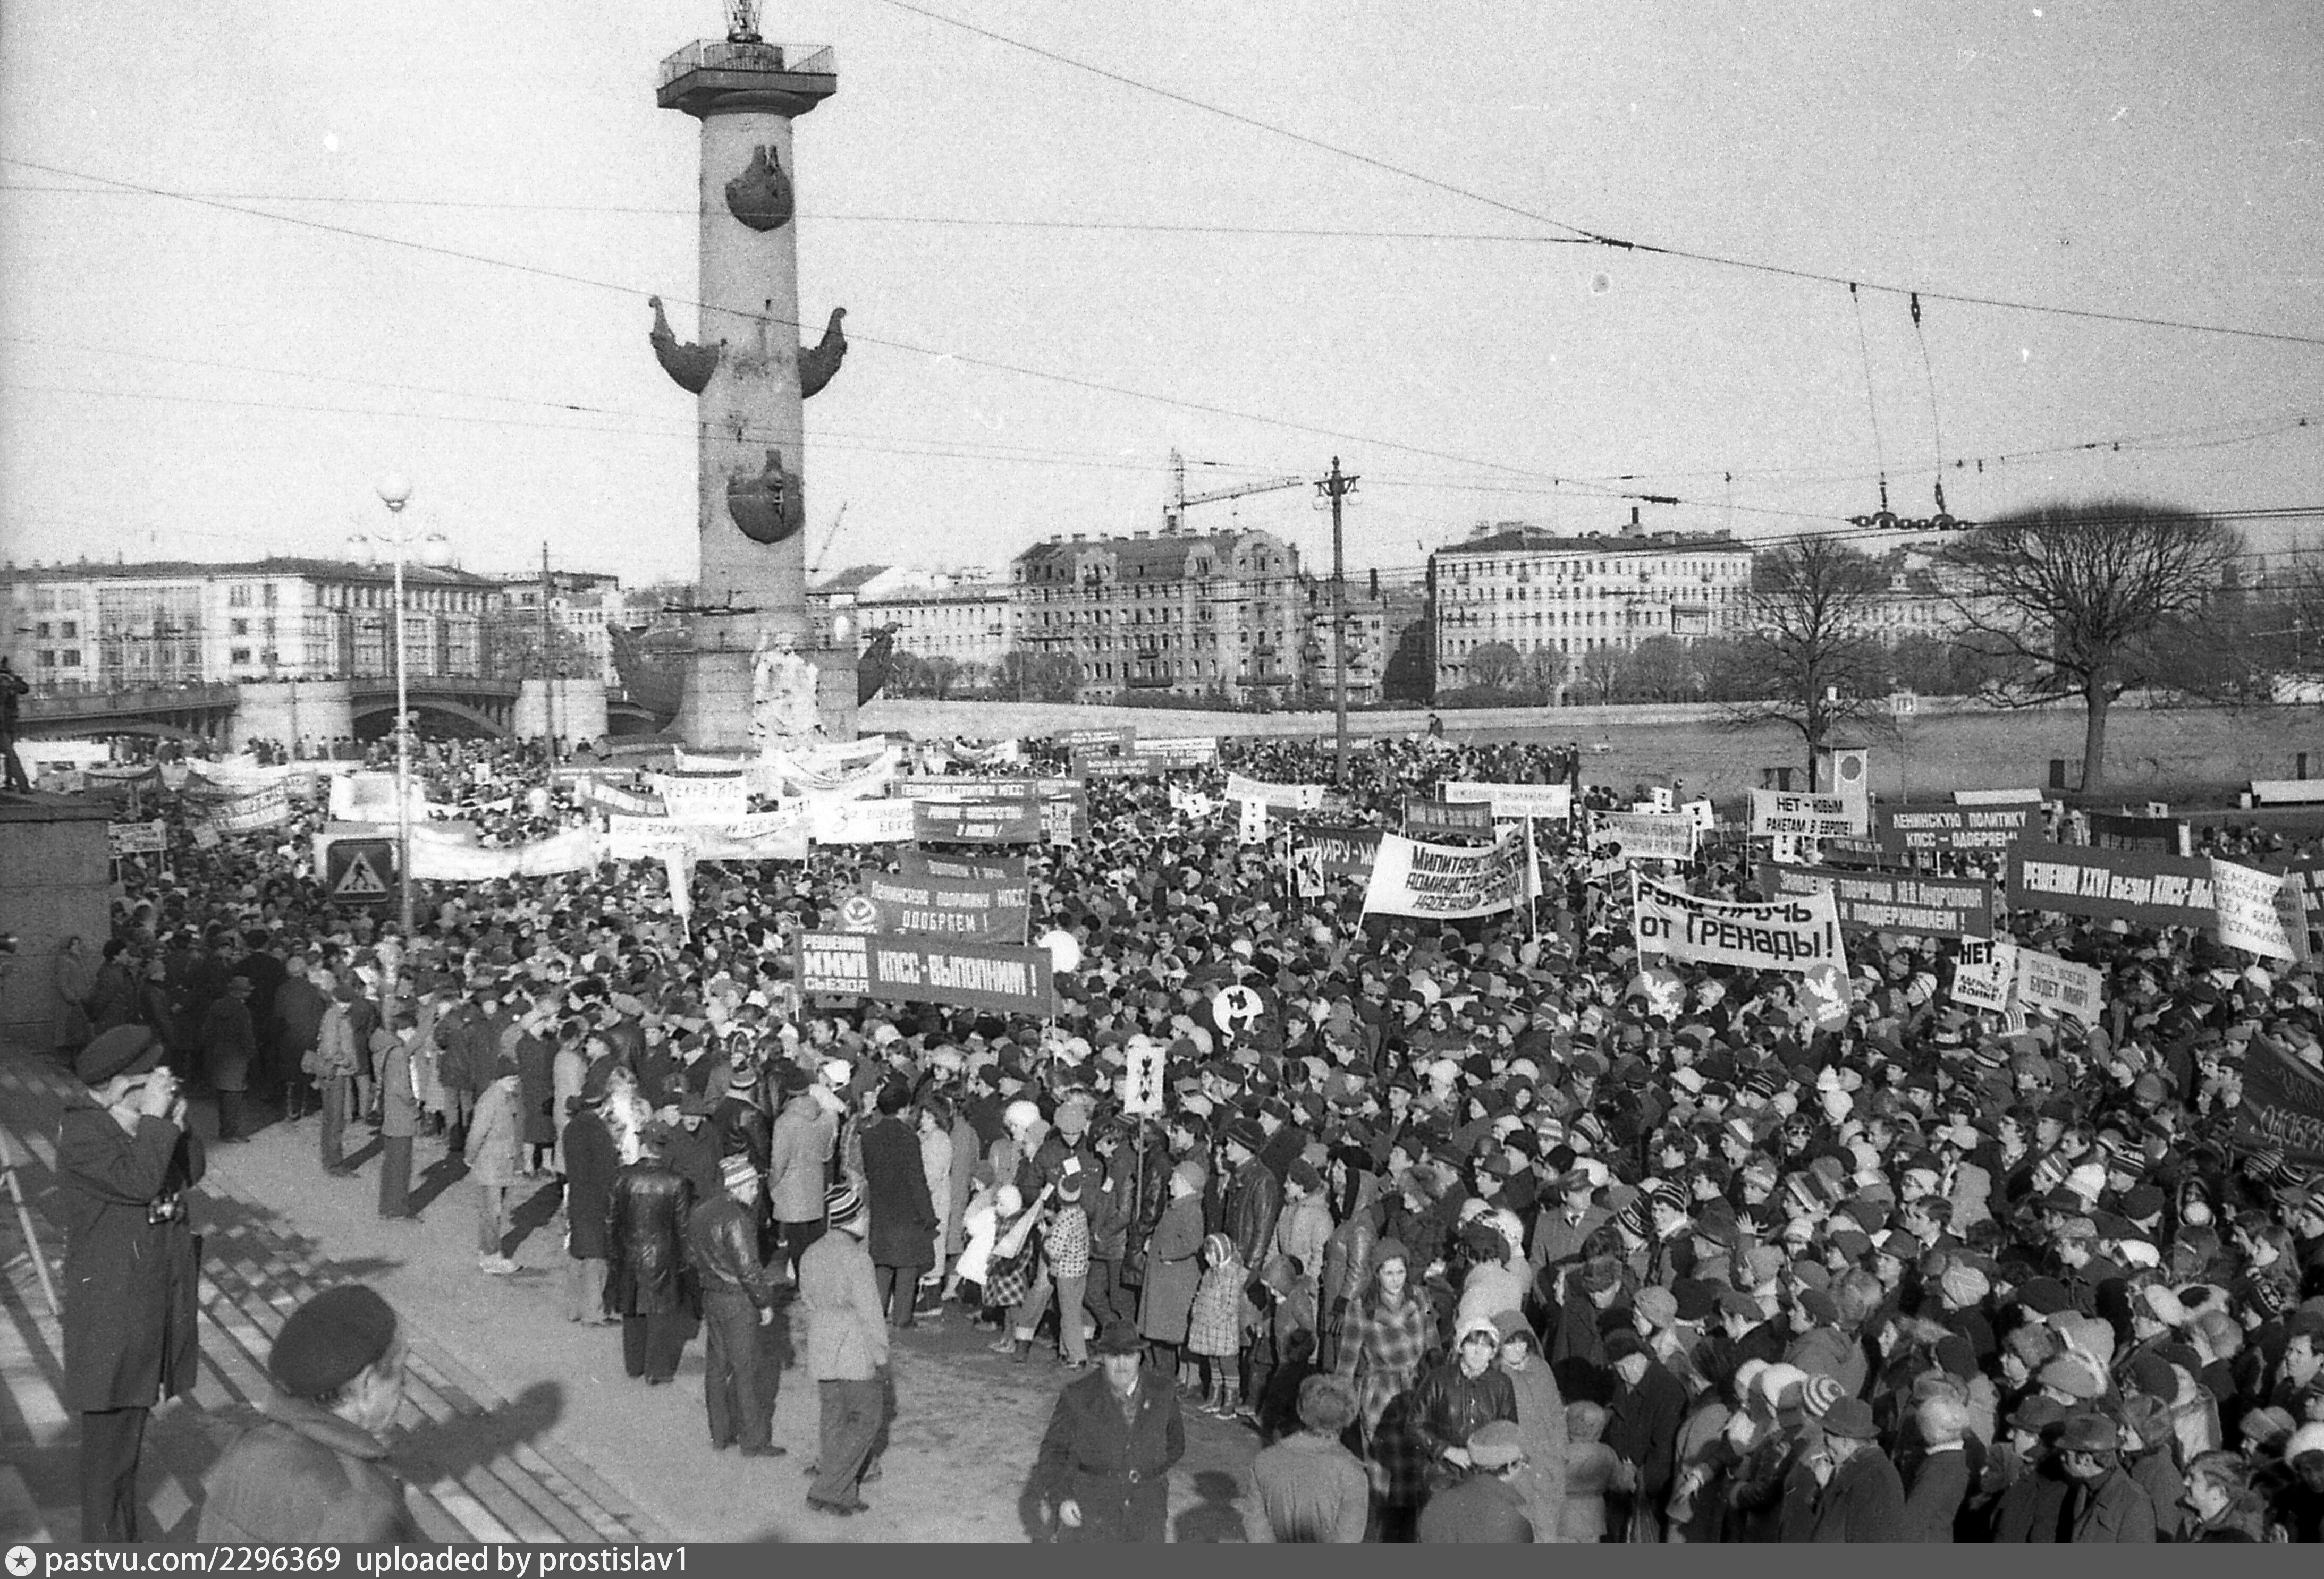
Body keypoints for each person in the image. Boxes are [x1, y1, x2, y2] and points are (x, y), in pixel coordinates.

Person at [55, 1025, 204, 1541]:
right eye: (154, 1077)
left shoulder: (144, 1127)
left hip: (144, 1307)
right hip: (111, 1317)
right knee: (107, 1459)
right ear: (121, 1085)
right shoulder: (84, 1134)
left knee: (126, 1451)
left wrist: (179, 1126)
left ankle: (123, 1543)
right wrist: (158, 1124)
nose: (166, 1082)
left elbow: (190, 1173)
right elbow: (138, 1182)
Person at [195, 1284, 422, 1542]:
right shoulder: (364, 1511)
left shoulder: (243, 1451)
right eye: (400, 1371)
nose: (404, 1386)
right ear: (366, 1386)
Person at [1033, 1316, 1187, 1542]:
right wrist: (1063, 1498)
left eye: (1129, 1355)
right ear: (1102, 1357)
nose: (1122, 1364)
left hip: (1147, 1511)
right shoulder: (1077, 1396)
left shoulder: (1163, 1393)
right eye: (1114, 1356)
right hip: (1093, 1510)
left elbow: (1176, 1445)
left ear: (1140, 1356)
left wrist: (1146, 1471)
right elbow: (1053, 1452)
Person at [800, 1181, 889, 1517]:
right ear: (851, 1219)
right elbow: (871, 1312)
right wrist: (881, 1355)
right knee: (866, 1419)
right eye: (862, 1215)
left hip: (822, 1342)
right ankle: (828, 1489)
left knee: (834, 1418)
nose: (866, 1221)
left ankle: (843, 1493)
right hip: (854, 1348)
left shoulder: (811, 1253)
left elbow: (807, 1298)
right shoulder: (857, 1259)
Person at [688, 1153, 784, 1457]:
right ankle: (753, 1440)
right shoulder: (738, 1220)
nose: (756, 1193)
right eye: (752, 1187)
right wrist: (764, 1302)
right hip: (738, 1301)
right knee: (746, 1371)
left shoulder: (701, 1212)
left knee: (717, 1368)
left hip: (712, 1296)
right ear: (737, 1187)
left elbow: (692, 1255)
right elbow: (748, 1268)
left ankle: (719, 1434)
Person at [604, 1128, 694, 1384]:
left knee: (632, 1310)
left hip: (629, 1251)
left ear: (643, 1145)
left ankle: (634, 1365)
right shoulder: (676, 1182)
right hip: (663, 1253)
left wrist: (613, 1251)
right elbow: (683, 1226)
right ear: (662, 1149)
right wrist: (686, 1258)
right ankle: (657, 1370)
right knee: (661, 1313)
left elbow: (611, 1219)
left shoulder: (622, 1177)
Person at [1249, 1374, 1371, 1542]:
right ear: (1349, 1416)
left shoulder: (1264, 1460)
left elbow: (1257, 1531)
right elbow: (1348, 1539)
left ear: (1301, 1410)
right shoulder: (1353, 1472)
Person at [859, 1079, 938, 1331]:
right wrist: (928, 1215)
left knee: (882, 1263)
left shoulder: (869, 1136)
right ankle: (903, 1317)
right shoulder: (909, 1139)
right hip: (906, 1208)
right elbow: (917, 1180)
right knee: (907, 1265)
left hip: (882, 1205)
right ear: (904, 1109)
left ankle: (876, 1314)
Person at [1806, 1397, 1907, 1542]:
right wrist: (1826, 1487)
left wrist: (1829, 1487)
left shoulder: (1875, 1477)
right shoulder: (1857, 1468)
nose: (1825, 1448)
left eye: (1827, 1440)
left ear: (1845, 1442)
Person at [1417, 1419, 1535, 1541]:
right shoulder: (1517, 1525)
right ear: (1511, 1466)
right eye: (1524, 1461)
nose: (1526, 1467)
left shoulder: (1435, 1506)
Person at [464, 1061, 524, 1274]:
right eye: (511, 1079)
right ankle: (492, 1258)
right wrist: (470, 1157)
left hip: (499, 1162)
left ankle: (487, 1252)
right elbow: (477, 1132)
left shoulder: (504, 1096)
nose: (515, 1083)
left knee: (491, 1211)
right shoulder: (492, 1099)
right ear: (500, 1079)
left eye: (516, 1079)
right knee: (493, 1211)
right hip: (491, 1163)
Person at [0, 652, 30, 792]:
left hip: (7, 719)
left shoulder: (9, 680)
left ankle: (9, 781)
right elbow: (24, 689)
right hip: (7, 720)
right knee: (10, 753)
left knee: (9, 752)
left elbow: (24, 689)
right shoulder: (9, 680)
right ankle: (18, 784)